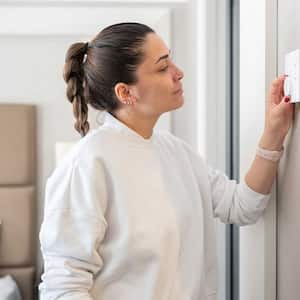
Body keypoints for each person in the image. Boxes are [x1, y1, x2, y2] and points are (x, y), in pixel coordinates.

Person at [38, 22, 294, 300]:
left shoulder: (176, 152)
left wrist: (274, 132)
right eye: (162, 67)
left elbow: (242, 206)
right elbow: (63, 288)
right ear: (126, 93)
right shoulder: (87, 164)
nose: (179, 73)